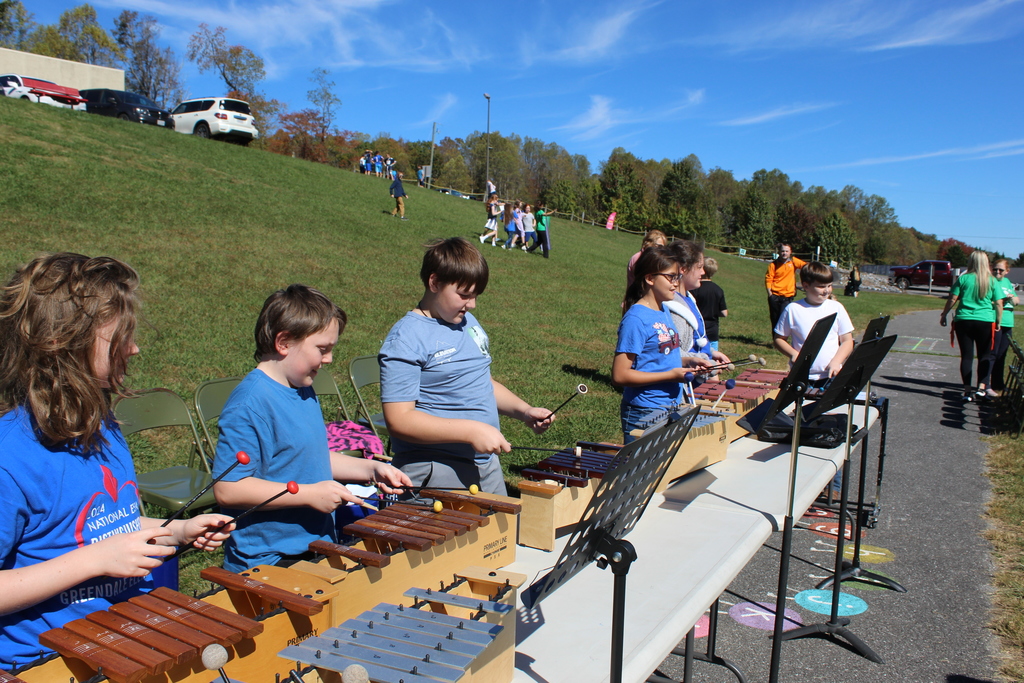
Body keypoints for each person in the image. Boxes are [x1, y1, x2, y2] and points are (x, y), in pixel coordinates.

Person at [0, 253, 233, 668]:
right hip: (48, 663)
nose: (135, 348)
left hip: (123, 637)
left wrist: (178, 531)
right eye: (121, 337)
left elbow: (104, 526)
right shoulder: (10, 458)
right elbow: (94, 549)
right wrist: (94, 561)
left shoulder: (101, 423)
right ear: (62, 344)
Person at [213, 285, 410, 572]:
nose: (329, 359)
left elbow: (311, 458)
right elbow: (228, 489)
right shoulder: (250, 404)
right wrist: (308, 494)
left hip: (315, 547)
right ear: (284, 342)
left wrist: (371, 470)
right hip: (268, 561)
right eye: (322, 349)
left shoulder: (302, 388)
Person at [378, 238, 554, 494]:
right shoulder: (406, 338)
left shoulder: (467, 322)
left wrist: (524, 411)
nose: (472, 304)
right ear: (435, 282)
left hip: (484, 468)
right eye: (464, 295)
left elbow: (482, 383)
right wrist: (471, 431)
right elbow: (399, 419)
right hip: (436, 472)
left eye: (475, 296)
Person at [613, 246, 713, 444]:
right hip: (645, 410)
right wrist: (671, 375)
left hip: (670, 406)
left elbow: (661, 356)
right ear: (650, 279)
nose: (676, 284)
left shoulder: (663, 309)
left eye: (677, 277)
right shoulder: (636, 319)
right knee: (641, 472)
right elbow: (620, 375)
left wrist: (690, 360)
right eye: (671, 277)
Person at [773, 261, 855, 384]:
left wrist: (836, 362)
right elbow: (779, 339)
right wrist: (794, 355)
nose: (827, 291)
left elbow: (847, 341)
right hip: (802, 376)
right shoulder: (793, 309)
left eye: (829, 286)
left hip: (831, 375)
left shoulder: (837, 308)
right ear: (806, 286)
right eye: (821, 286)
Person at [940, 251, 1005, 401]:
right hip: (985, 321)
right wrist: (999, 321)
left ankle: (967, 391)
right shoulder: (992, 280)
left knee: (967, 356)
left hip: (964, 320)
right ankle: (981, 388)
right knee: (985, 356)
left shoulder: (964, 279)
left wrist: (944, 314)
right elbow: (998, 303)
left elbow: (952, 298)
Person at [664, 241, 732, 366]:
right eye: (699, 267)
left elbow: (695, 338)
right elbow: (671, 351)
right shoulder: (674, 307)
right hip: (685, 379)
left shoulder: (689, 297)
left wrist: (711, 352)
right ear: (683, 269)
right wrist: (704, 360)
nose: (703, 272)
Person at [986, 259, 1018, 396]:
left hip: (1007, 322)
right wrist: (1001, 300)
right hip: (995, 320)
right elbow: (987, 300)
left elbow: (1017, 301)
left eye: (1001, 270)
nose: (997, 272)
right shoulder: (989, 281)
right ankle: (985, 385)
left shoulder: (1007, 282)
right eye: (995, 269)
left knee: (1001, 355)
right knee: (991, 354)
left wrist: (1011, 298)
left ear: (1007, 271)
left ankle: (998, 384)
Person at [765, 243, 807, 332]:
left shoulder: (793, 261)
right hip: (775, 295)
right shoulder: (773, 265)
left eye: (787, 251)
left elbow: (806, 267)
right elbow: (768, 279)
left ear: (790, 252)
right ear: (779, 252)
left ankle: (782, 340)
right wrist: (770, 294)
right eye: (782, 251)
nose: (784, 253)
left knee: (783, 320)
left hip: (787, 297)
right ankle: (775, 341)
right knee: (775, 319)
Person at [692, 257, 728, 352]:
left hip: (698, 330)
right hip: (713, 331)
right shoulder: (718, 290)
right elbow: (724, 313)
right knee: (713, 359)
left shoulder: (694, 289)